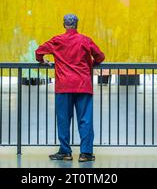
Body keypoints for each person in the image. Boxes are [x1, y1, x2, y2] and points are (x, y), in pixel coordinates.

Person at [35, 14, 105, 162]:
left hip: (64, 86)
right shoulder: (85, 40)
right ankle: (85, 154)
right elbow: (100, 57)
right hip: (83, 85)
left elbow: (38, 52)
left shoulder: (57, 40)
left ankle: (65, 152)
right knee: (85, 120)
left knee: (63, 119)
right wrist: (91, 63)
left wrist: (42, 61)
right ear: (77, 24)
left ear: (64, 24)